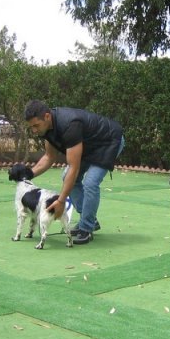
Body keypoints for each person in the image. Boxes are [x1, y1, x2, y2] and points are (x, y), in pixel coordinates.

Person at [24, 100, 124, 245]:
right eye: (31, 127)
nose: (34, 130)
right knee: (66, 176)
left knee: (90, 182)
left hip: (108, 142)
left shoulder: (70, 125)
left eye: (36, 125)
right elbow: (48, 157)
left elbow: (74, 167)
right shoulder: (46, 128)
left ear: (46, 116)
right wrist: (28, 175)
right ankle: (90, 220)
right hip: (89, 145)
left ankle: (87, 228)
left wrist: (61, 200)